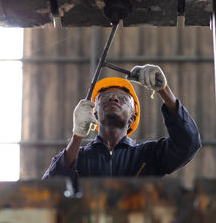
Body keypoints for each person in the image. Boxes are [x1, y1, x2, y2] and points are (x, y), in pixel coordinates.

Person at [42, 64, 201, 181]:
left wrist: (164, 90)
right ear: (94, 112)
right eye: (104, 98)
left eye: (124, 99)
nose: (113, 98)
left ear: (132, 117)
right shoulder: (79, 156)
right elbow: (50, 187)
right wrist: (77, 135)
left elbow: (188, 144)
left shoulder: (149, 155)